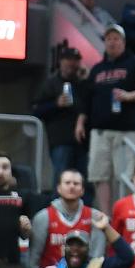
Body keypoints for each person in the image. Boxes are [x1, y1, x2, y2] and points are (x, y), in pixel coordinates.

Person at [76, 25, 135, 215]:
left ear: (123, 42)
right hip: (100, 131)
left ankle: (125, 214)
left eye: (116, 38)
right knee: (99, 174)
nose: (112, 42)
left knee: (127, 175)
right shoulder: (97, 69)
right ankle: (106, 215)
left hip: (127, 131)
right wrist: (80, 122)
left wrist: (130, 96)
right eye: (109, 38)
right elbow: (86, 100)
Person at [28, 169, 103, 268]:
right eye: (67, 183)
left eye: (76, 183)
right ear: (58, 188)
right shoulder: (43, 217)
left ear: (82, 190)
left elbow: (97, 259)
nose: (71, 186)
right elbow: (33, 260)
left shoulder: (95, 217)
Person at [34, 49, 89, 182]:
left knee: (85, 181)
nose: (72, 64)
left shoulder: (83, 83)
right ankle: (57, 203)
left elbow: (90, 105)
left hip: (83, 141)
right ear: (61, 62)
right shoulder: (51, 83)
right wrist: (56, 104)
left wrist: (87, 80)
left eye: (75, 60)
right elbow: (36, 110)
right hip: (60, 140)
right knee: (62, 178)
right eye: (68, 60)